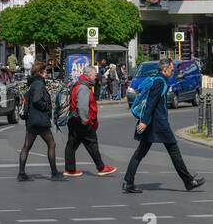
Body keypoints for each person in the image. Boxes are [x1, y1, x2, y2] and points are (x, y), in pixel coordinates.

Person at [122, 57, 204, 194]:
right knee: (174, 151)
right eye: (171, 69)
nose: (172, 72)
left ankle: (128, 182)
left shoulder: (159, 80)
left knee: (140, 153)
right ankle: (188, 181)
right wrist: (144, 121)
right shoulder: (159, 82)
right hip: (158, 124)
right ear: (164, 69)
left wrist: (145, 122)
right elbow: (150, 103)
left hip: (153, 124)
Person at [63, 63, 117, 177]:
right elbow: (82, 107)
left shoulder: (78, 84)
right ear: (89, 75)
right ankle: (101, 168)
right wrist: (86, 121)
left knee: (71, 145)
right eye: (94, 75)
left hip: (74, 119)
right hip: (82, 121)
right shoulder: (83, 88)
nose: (95, 77)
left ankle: (70, 169)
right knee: (92, 144)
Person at [18, 62, 64, 181]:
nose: (47, 73)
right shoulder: (38, 84)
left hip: (32, 121)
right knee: (52, 144)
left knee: (26, 146)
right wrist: (47, 107)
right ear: (40, 72)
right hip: (40, 120)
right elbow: (37, 100)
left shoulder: (33, 84)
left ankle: (21, 173)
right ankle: (54, 173)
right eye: (45, 71)